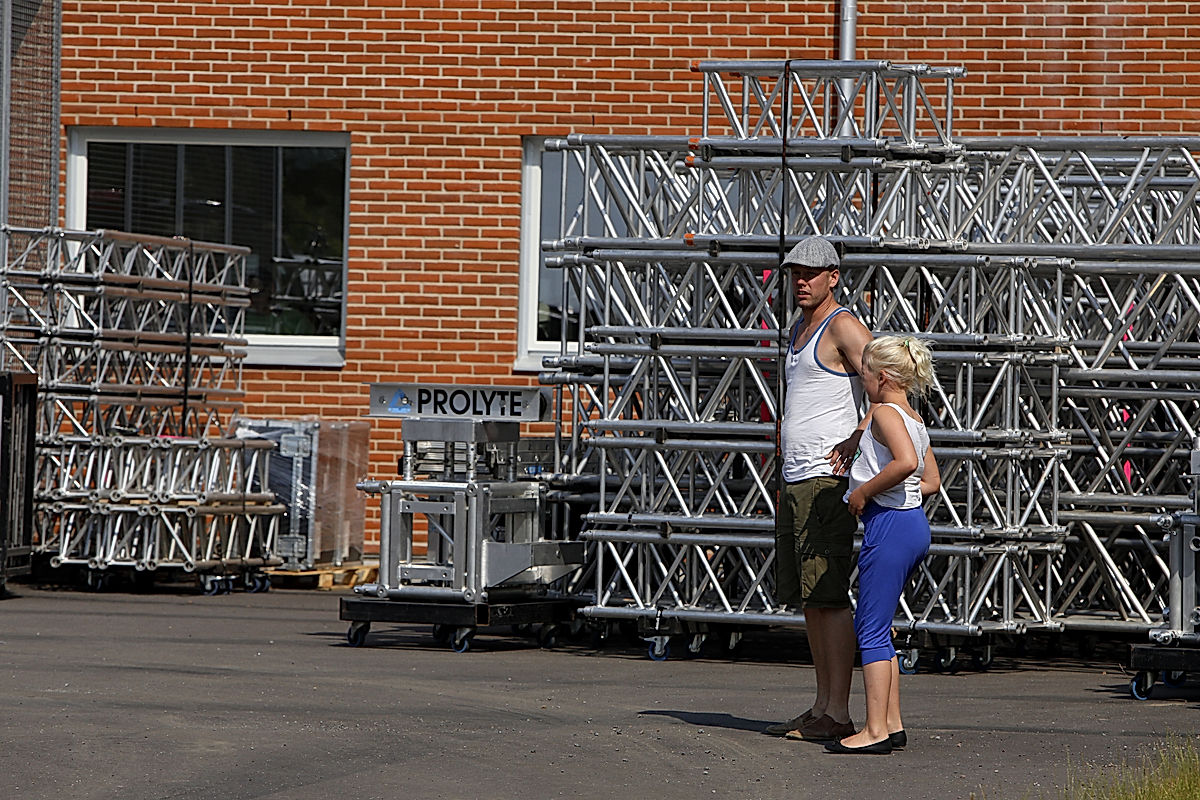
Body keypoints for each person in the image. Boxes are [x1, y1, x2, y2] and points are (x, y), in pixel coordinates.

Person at [763, 236, 874, 743]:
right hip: (795, 476)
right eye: (794, 273)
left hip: (825, 482)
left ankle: (840, 712)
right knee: (810, 597)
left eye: (810, 272)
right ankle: (821, 704)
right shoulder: (798, 328)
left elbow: (889, 385)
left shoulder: (844, 325)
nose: (800, 281)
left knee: (829, 595)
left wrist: (856, 437)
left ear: (833, 275)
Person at [825, 335, 940, 755]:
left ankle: (874, 729)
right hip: (912, 524)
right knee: (881, 626)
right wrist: (900, 495)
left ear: (883, 377)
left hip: (889, 526)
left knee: (870, 629)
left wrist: (864, 493)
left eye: (865, 377)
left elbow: (907, 463)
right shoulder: (914, 417)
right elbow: (930, 480)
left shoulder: (887, 413)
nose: (863, 384)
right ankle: (890, 722)